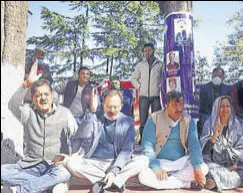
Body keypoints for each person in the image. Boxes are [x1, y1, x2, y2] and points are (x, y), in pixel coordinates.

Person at [1, 61, 77, 193]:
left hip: (54, 167)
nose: (43, 98)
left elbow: (77, 138)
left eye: (46, 94)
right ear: (33, 98)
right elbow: (13, 105)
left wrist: (70, 158)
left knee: (63, 174)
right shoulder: (27, 113)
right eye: (38, 95)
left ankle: (18, 190)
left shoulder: (65, 114)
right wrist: (26, 84)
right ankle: (46, 185)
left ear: (52, 95)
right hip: (29, 167)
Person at [67, 90, 148, 193]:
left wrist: (114, 171)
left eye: (115, 107)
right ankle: (115, 182)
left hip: (117, 162)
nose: (112, 110)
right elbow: (80, 137)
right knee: (72, 163)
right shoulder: (94, 117)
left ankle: (106, 181)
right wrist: (92, 113)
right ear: (103, 105)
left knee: (144, 160)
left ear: (121, 106)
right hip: (95, 163)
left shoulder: (128, 121)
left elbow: (127, 150)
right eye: (108, 106)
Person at [138, 91, 208, 190]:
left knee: (204, 168)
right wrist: (157, 168)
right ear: (166, 106)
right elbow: (147, 147)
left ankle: (169, 181)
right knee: (143, 176)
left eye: (181, 104)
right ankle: (184, 183)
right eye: (175, 105)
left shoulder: (188, 120)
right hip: (160, 162)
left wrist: (196, 168)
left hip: (181, 163)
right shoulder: (154, 119)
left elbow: (194, 145)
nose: (179, 108)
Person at [200, 96, 243, 192]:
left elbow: (242, 147)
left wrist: (236, 164)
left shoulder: (235, 124)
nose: (225, 109)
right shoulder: (209, 124)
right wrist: (214, 135)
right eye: (222, 106)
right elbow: (204, 152)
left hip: (234, 163)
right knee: (210, 169)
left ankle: (217, 181)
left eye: (228, 106)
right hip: (215, 163)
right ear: (216, 108)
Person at [130, 43, 163, 144]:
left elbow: (164, 78)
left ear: (153, 50)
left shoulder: (160, 64)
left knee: (156, 120)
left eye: (149, 50)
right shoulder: (140, 65)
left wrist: (160, 87)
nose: (147, 52)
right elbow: (133, 79)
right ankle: (143, 140)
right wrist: (140, 87)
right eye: (145, 51)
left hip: (156, 96)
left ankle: (155, 140)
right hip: (143, 96)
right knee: (143, 120)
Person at [198, 67, 232, 138]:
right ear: (212, 76)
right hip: (208, 112)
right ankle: (204, 141)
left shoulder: (228, 89)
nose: (217, 78)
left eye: (219, 76)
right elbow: (203, 105)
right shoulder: (204, 88)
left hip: (222, 112)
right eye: (215, 76)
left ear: (223, 77)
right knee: (205, 122)